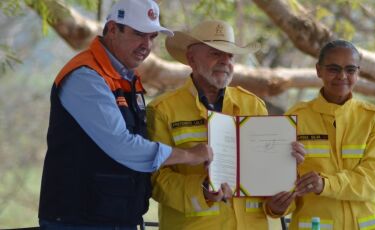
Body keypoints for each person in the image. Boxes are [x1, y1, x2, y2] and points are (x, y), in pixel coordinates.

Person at [38, 1, 213, 229]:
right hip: (78, 220)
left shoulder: (126, 77)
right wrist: (190, 156)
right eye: (139, 34)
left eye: (152, 37)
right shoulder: (85, 76)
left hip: (119, 219)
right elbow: (123, 146)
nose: (146, 45)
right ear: (112, 29)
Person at [146, 20, 305, 230]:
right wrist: (201, 189)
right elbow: (155, 180)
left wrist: (277, 205)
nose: (225, 61)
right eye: (215, 53)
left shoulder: (253, 105)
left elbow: (266, 178)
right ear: (191, 58)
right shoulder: (163, 109)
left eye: (230, 55)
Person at [278, 40, 375, 229]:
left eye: (350, 70)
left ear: (358, 72)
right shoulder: (295, 118)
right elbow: (284, 186)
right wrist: (277, 206)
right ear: (318, 70)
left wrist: (325, 184)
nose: (342, 76)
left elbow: (373, 179)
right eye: (333, 69)